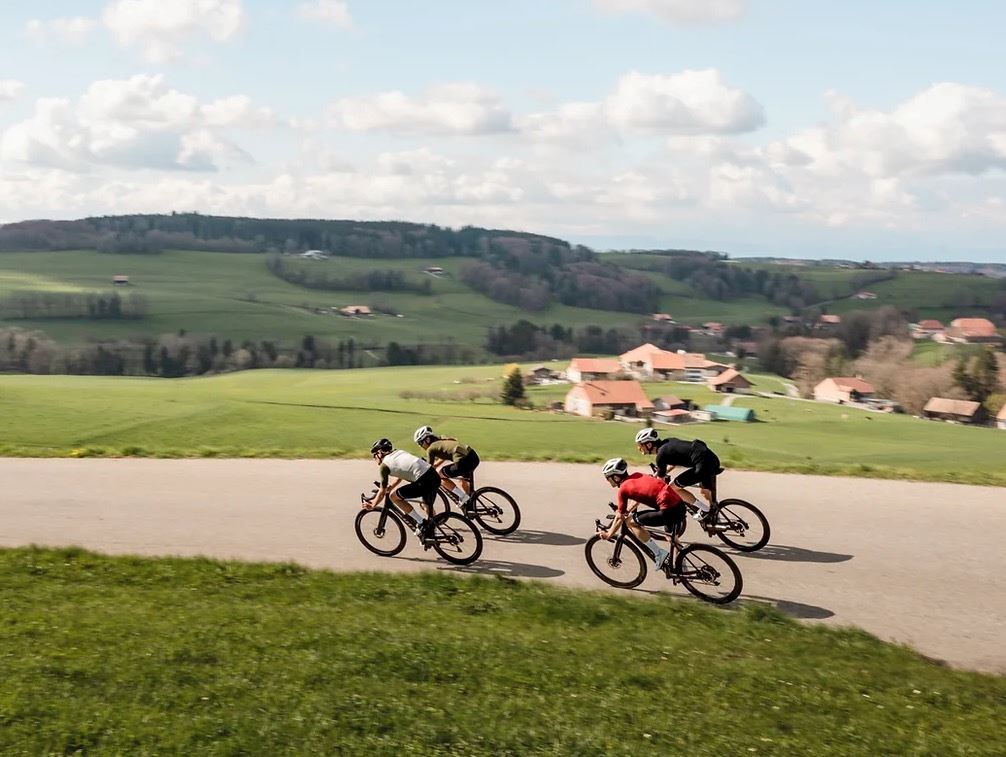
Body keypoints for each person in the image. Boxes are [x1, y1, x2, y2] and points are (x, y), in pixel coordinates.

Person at [596, 457, 686, 570]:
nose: (607, 481)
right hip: (679, 506)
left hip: (668, 510)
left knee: (630, 522)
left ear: (616, 477)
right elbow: (638, 497)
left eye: (608, 478)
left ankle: (659, 553)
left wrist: (608, 534)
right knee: (671, 537)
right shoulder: (638, 475)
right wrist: (627, 510)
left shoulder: (623, 489)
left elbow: (620, 517)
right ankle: (681, 568)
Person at [634, 428, 718, 522]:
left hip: (702, 465)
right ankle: (714, 512)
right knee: (705, 492)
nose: (639, 448)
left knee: (672, 489)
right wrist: (657, 474)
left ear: (649, 444)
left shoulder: (660, 455)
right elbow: (672, 464)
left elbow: (659, 483)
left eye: (640, 445)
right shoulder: (667, 443)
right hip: (711, 459)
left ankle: (706, 510)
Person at [362, 438, 442, 537]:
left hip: (424, 481)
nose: (374, 458)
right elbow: (399, 476)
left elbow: (382, 491)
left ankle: (421, 522)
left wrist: (373, 504)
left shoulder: (384, 466)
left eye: (374, 455)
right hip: (434, 476)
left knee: (393, 496)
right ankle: (433, 533)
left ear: (379, 453)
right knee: (426, 505)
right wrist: (390, 487)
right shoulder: (399, 453)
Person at [413, 426, 480, 505]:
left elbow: (428, 468)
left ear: (427, 440)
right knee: (462, 480)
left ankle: (463, 496)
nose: (420, 446)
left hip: (462, 462)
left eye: (420, 443)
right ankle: (471, 503)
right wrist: (436, 464)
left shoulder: (431, 449)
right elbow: (448, 451)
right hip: (473, 457)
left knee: (439, 474)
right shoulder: (442, 439)